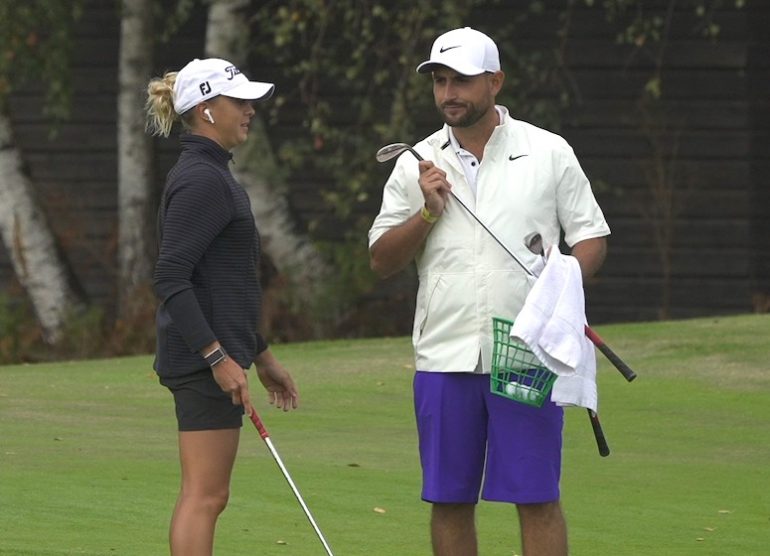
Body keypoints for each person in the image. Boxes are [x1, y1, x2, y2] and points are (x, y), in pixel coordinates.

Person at [368, 27, 610, 556]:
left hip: (526, 351)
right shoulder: (417, 162)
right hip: (444, 354)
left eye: (462, 80)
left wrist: (563, 288)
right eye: (439, 80)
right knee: (450, 499)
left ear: (495, 81)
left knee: (537, 496)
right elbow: (382, 259)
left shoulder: (548, 150)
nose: (448, 92)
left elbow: (590, 235)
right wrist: (427, 212)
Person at [145, 57, 299, 556]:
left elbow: (224, 286)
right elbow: (171, 277)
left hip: (210, 355)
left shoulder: (210, 175)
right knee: (205, 496)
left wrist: (260, 354)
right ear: (207, 110)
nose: (251, 110)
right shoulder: (203, 180)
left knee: (210, 495)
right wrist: (217, 357)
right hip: (200, 361)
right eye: (240, 102)